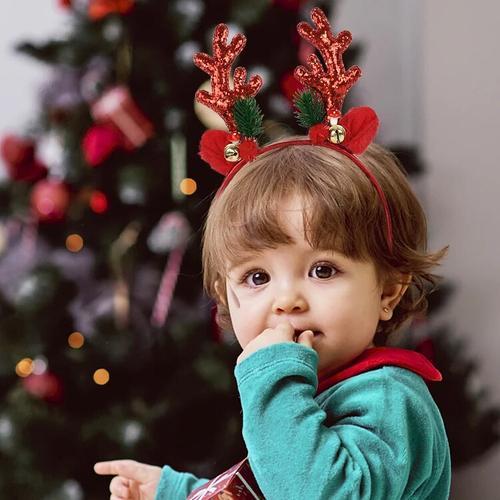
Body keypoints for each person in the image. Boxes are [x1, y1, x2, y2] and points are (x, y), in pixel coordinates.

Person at [94, 8, 451, 499]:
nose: (287, 301)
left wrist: (273, 382)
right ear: (226, 297)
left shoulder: (386, 398)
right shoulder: (310, 392)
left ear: (388, 291)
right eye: (256, 278)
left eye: (323, 269)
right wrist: (177, 492)